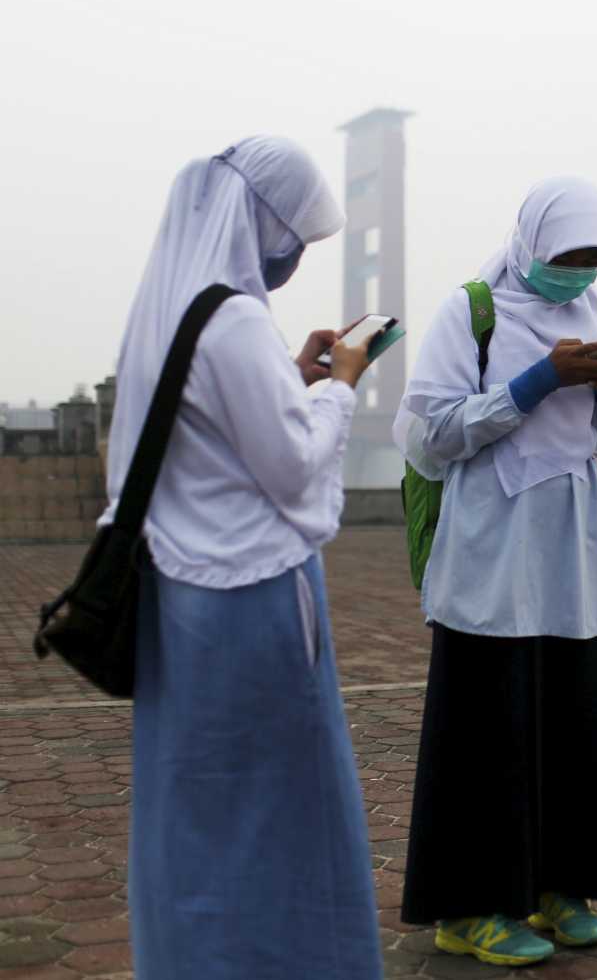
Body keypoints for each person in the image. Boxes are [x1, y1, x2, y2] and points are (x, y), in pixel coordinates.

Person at [112, 136, 381, 979]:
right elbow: (293, 465)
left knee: (195, 810)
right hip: (253, 598)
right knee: (285, 814)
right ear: (262, 222)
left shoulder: (167, 309)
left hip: (177, 600)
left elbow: (209, 438)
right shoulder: (235, 318)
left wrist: (290, 379)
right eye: (295, 233)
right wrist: (343, 383)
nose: (295, 253)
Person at [396, 177, 597, 967]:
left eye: (593, 258)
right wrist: (537, 382)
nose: (578, 271)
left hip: (569, 555)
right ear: (531, 242)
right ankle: (468, 909)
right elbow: (433, 434)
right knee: (486, 729)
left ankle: (559, 887)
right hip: (491, 554)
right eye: (567, 255)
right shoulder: (472, 312)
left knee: (568, 722)